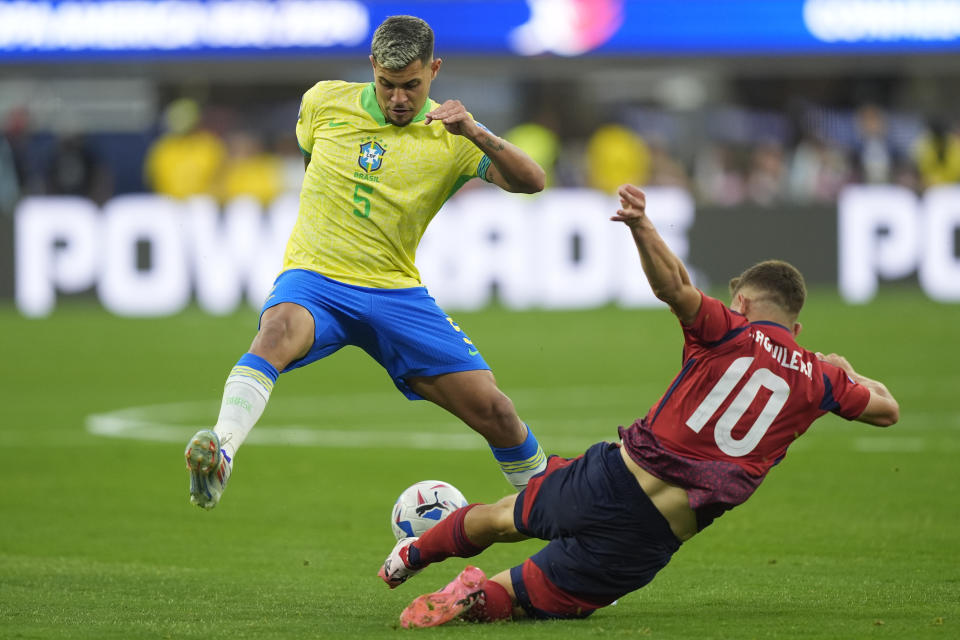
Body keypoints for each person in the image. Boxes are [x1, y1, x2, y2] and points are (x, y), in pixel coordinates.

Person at [378, 183, 899, 628]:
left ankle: (410, 556)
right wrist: (848, 371)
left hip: (612, 478)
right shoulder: (821, 378)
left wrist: (641, 225)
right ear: (797, 326)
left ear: (741, 302)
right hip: (656, 534)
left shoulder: (728, 329)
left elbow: (673, 286)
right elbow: (886, 409)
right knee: (518, 599)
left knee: (500, 518)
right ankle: (477, 593)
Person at [184, 15, 547, 509]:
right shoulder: (322, 102)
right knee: (275, 333)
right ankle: (223, 451)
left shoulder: (453, 134)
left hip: (396, 293)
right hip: (318, 280)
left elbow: (532, 182)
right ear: (372, 66)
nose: (399, 98)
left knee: (496, 412)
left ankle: (565, 519)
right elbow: (315, 160)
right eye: (389, 84)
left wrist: (477, 133)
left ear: (435, 70)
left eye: (412, 86)